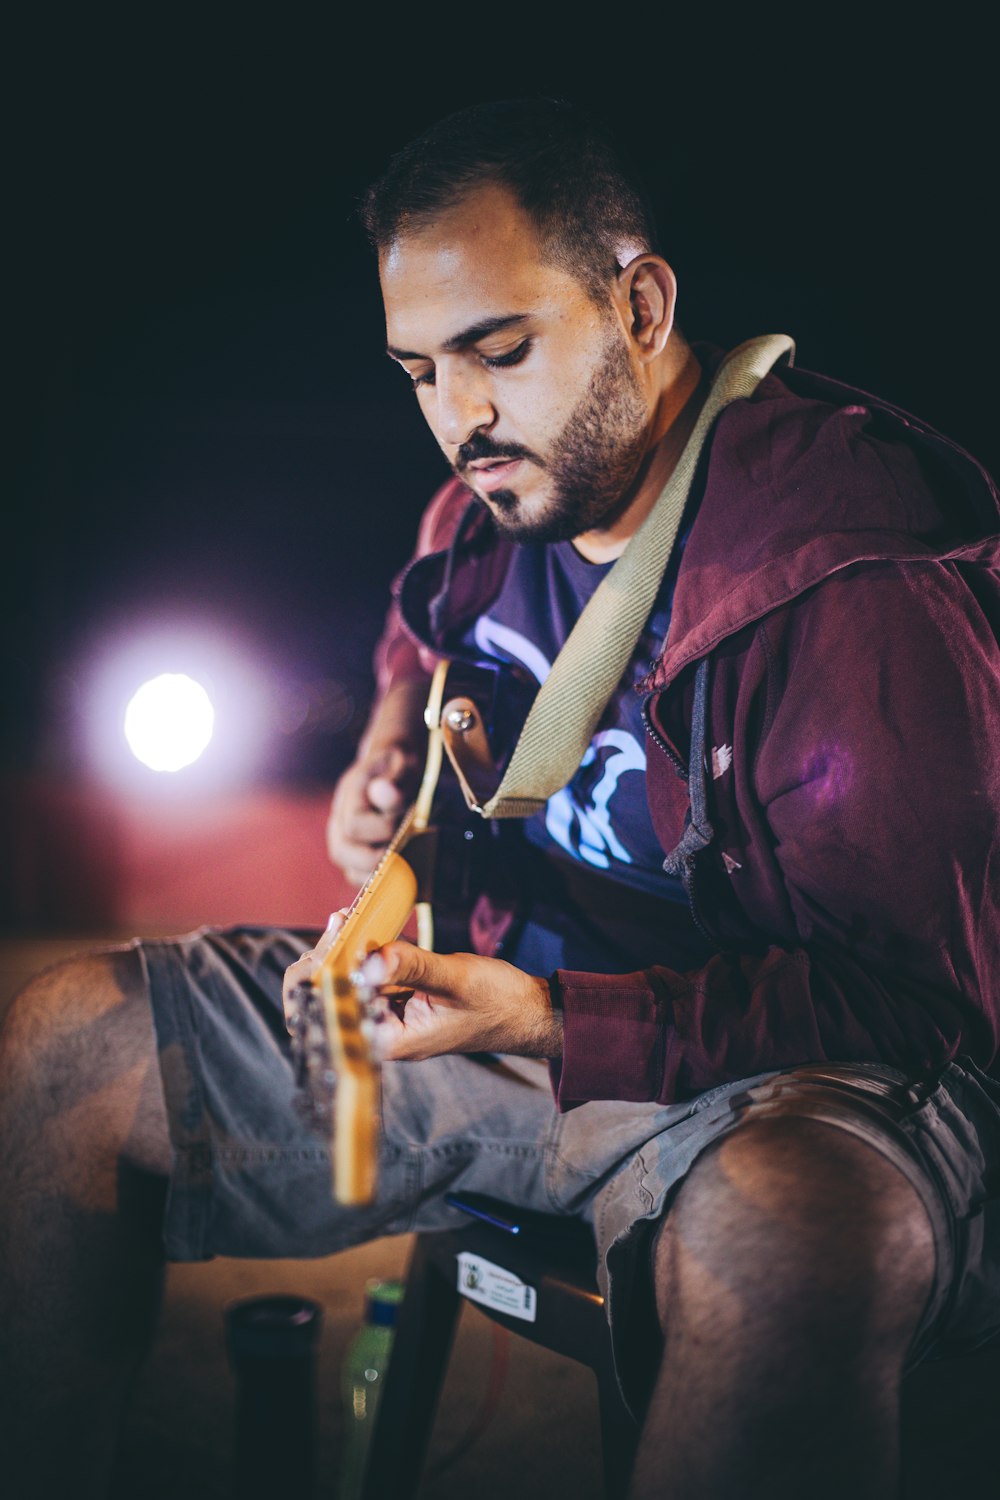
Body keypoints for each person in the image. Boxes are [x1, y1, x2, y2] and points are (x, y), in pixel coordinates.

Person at [2, 98, 999, 1500]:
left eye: (500, 351)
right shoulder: (488, 504)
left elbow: (918, 1009)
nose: (457, 418)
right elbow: (425, 635)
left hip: (768, 1088)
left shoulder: (855, 575)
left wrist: (549, 1016)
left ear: (641, 306)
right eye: (417, 369)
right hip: (510, 1024)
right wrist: (389, 756)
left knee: (791, 1239)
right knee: (58, 1048)